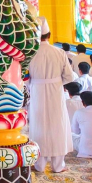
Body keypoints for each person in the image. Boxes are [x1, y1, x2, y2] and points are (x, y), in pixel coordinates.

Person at [28, 17, 75, 173]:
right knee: (57, 125)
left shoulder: (30, 53)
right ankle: (58, 165)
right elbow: (69, 77)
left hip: (37, 92)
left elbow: (25, 77)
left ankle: (39, 165)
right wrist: (56, 81)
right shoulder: (59, 52)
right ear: (49, 35)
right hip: (55, 91)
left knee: (39, 125)